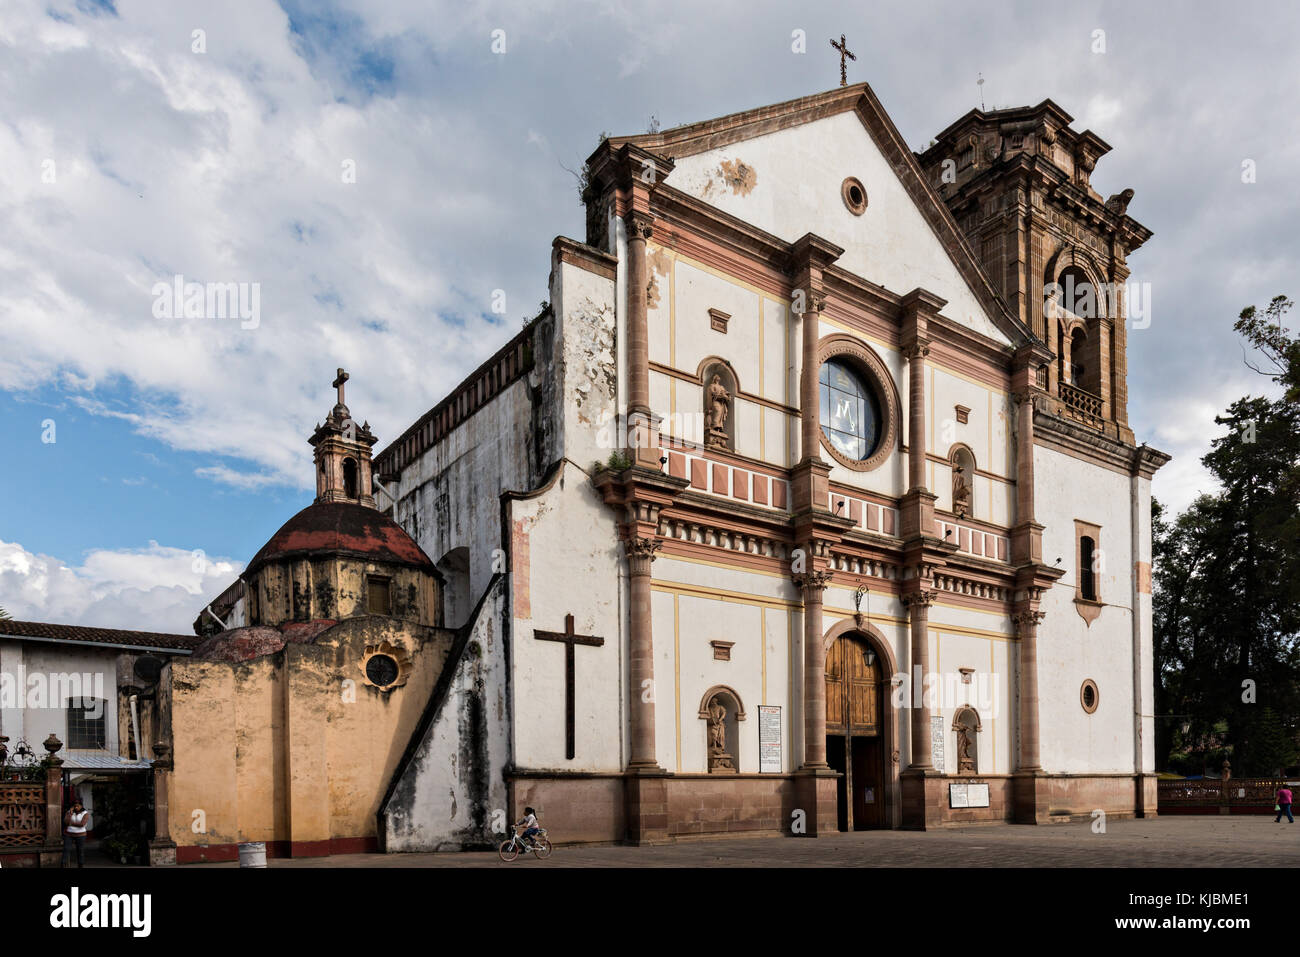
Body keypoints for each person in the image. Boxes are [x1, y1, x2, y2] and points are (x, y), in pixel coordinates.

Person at [63, 802, 91, 867]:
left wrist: (71, 824)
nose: (76, 807)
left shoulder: (85, 813)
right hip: (69, 834)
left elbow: (82, 824)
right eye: (75, 806)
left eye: (77, 806)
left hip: (81, 835)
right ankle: (63, 865)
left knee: (80, 850)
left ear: (81, 806)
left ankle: (80, 865)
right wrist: (70, 813)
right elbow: (66, 822)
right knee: (66, 849)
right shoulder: (69, 812)